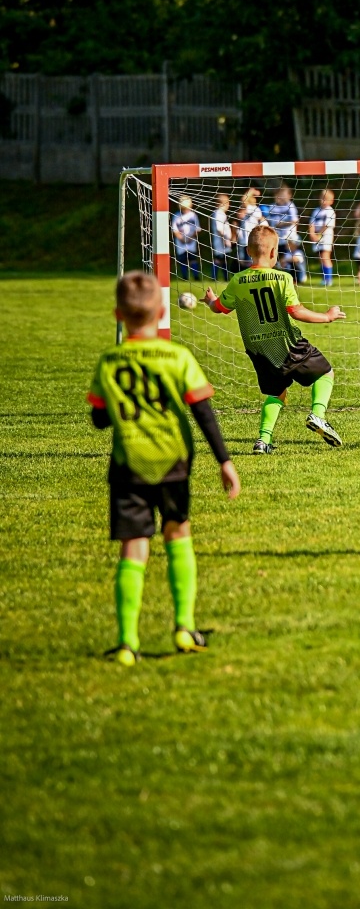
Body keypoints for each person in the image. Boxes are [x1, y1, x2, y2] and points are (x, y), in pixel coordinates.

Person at [87, 272, 240, 666]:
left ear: (118, 315)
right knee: (177, 534)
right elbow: (203, 412)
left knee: (133, 549)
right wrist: (224, 461)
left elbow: (99, 419)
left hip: (128, 465)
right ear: (161, 311)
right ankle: (184, 627)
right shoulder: (178, 357)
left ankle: (126, 643)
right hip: (173, 462)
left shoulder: (110, 360)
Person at [203, 223, 345, 453]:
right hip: (288, 345)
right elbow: (296, 312)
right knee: (326, 373)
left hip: (260, 351)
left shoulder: (238, 281)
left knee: (275, 393)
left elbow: (219, 307)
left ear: (248, 251)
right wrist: (327, 317)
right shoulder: (282, 278)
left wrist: (210, 300)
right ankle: (318, 415)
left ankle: (263, 440)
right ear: (273, 253)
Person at [266, 183, 307, 284]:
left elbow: (294, 220)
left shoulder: (290, 206)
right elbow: (269, 221)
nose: (280, 197)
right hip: (276, 238)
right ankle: (276, 278)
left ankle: (294, 277)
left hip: (288, 238)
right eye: (279, 195)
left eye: (283, 194)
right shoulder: (272, 207)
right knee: (275, 259)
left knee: (288, 259)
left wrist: (281, 224)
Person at [308, 188, 336, 287]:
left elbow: (327, 225)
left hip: (326, 235)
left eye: (326, 199)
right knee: (320, 257)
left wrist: (319, 234)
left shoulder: (330, 211)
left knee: (325, 256)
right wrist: (312, 234)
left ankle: (329, 279)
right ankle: (324, 278)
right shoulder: (316, 211)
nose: (324, 201)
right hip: (316, 236)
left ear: (331, 201)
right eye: (322, 198)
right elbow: (311, 223)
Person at [171, 194, 201, 280]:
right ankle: (185, 277)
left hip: (191, 242)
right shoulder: (176, 216)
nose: (185, 210)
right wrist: (181, 239)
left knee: (193, 259)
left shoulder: (193, 215)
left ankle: (196, 276)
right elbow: (174, 230)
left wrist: (190, 238)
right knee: (183, 260)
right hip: (180, 243)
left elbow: (197, 229)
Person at [236, 187, 264, 269]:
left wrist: (251, 191)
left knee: (249, 260)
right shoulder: (251, 209)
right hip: (246, 239)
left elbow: (243, 199)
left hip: (250, 239)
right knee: (245, 260)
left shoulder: (254, 209)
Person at [210, 193, 233, 281]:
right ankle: (214, 277)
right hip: (220, 241)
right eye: (228, 203)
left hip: (221, 240)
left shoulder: (220, 213)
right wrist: (224, 239)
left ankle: (225, 278)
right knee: (219, 259)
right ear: (224, 203)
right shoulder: (219, 214)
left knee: (223, 260)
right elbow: (219, 229)